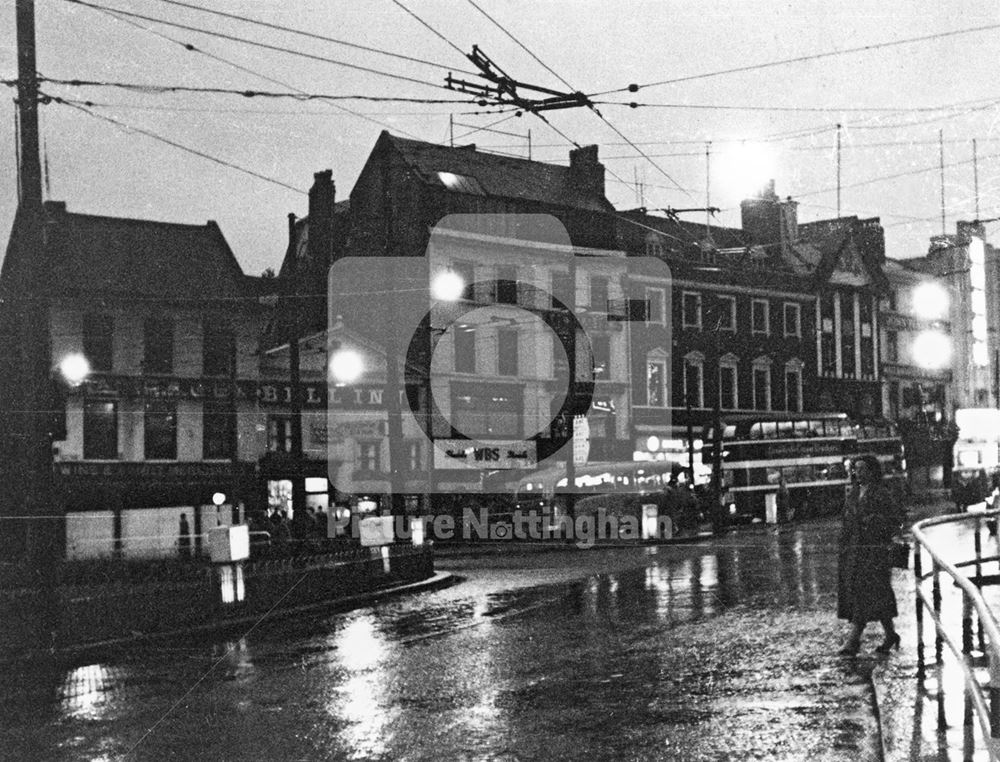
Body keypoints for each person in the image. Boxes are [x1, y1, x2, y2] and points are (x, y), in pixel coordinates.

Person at [837, 454, 904, 655]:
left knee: (864, 594)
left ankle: (853, 640)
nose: (858, 473)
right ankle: (891, 634)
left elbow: (896, 520)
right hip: (856, 552)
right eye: (855, 469)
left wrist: (876, 521)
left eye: (862, 469)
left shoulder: (881, 493)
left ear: (873, 471)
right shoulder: (853, 493)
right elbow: (846, 521)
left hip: (875, 552)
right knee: (876, 594)